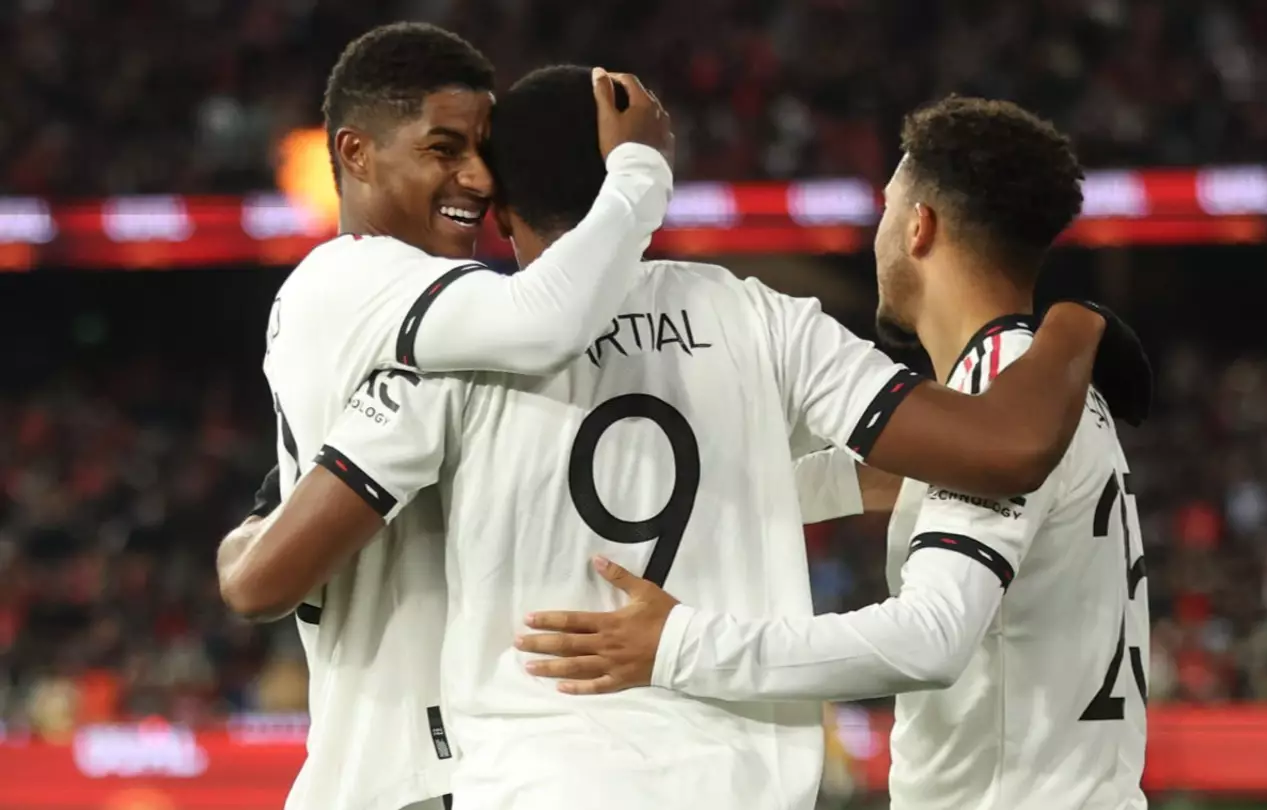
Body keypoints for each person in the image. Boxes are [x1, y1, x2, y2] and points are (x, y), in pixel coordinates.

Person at [254, 65, 1150, 810]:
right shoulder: (760, 316)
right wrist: (1079, 327)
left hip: (529, 781)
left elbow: (273, 574)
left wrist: (263, 516)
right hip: (744, 783)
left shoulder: (451, 349)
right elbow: (974, 442)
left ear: (500, 210)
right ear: (636, 177)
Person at [518, 97, 1151, 810]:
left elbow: (930, 636)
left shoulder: (999, 386)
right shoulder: (1031, 394)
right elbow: (839, 482)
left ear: (919, 227)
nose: (875, 231)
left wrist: (678, 644)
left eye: (885, 209)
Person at [213, 22, 676, 810]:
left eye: (481, 153)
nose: (477, 178)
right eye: (443, 148)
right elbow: (546, 320)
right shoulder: (363, 277)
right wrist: (639, 174)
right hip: (415, 771)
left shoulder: (399, 326)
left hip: (415, 768)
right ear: (356, 154)